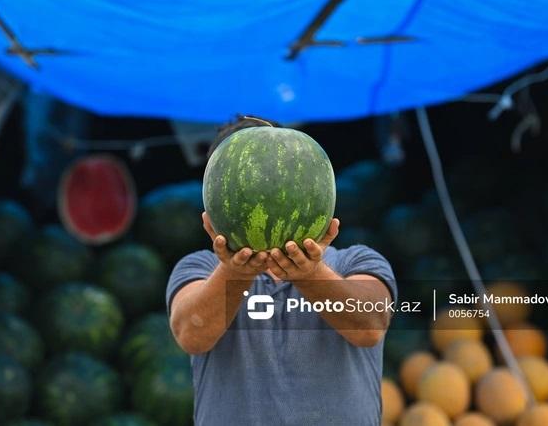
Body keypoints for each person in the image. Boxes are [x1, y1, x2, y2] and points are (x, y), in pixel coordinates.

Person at [167, 116, 397, 425]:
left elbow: (370, 325)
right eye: (246, 179)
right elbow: (191, 336)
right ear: (214, 195)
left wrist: (310, 275)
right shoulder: (200, 267)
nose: (264, 186)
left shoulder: (355, 261)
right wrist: (235, 274)